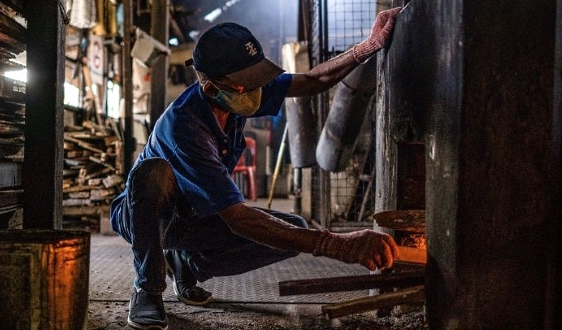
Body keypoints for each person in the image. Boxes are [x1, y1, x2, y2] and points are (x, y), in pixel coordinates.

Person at [110, 7, 402, 330]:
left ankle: (187, 262)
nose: (258, 89)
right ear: (211, 88)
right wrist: (337, 244)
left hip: (192, 217)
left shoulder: (236, 95)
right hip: (147, 217)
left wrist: (365, 47)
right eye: (247, 83)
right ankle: (147, 288)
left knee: (294, 227)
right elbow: (238, 219)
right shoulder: (186, 128)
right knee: (153, 175)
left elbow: (314, 80)